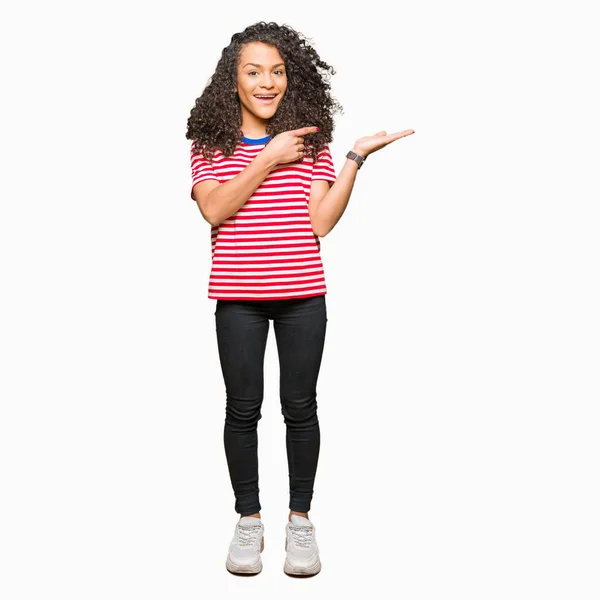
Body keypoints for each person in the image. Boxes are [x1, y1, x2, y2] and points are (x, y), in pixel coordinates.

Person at [186, 21, 414, 577]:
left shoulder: (310, 141)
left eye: (278, 72)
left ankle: (300, 522)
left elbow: (319, 222)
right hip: (238, 297)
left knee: (300, 408)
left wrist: (353, 160)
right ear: (231, 80)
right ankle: (248, 519)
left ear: (292, 77)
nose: (268, 82)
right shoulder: (210, 143)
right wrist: (266, 158)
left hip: (303, 296)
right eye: (254, 71)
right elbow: (214, 210)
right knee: (242, 411)